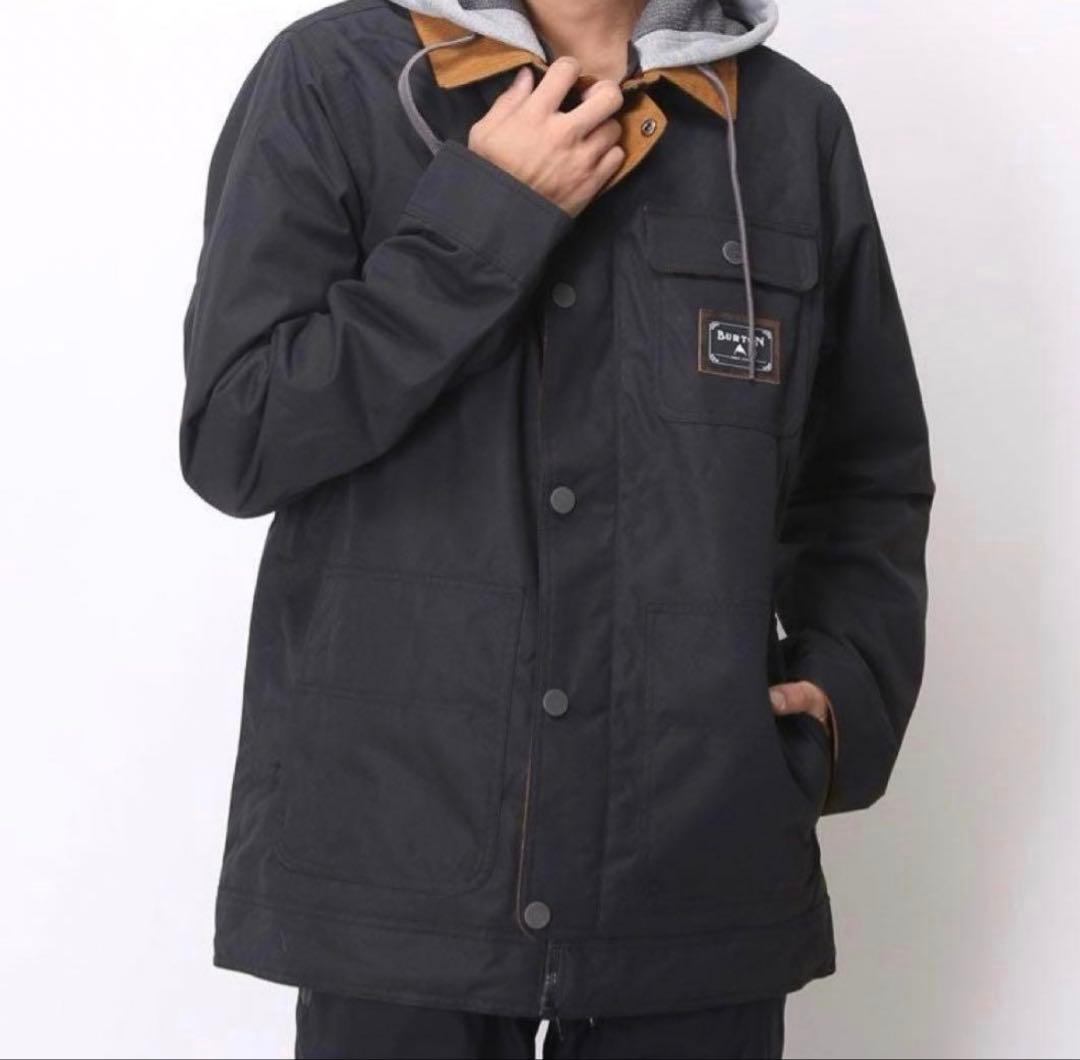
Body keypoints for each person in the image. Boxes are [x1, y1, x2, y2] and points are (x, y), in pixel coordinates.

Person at [180, 1, 934, 1056]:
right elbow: (240, 435)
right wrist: (484, 218)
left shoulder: (788, 126)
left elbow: (864, 474)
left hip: (692, 862)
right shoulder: (334, 79)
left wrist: (841, 700)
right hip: (397, 865)